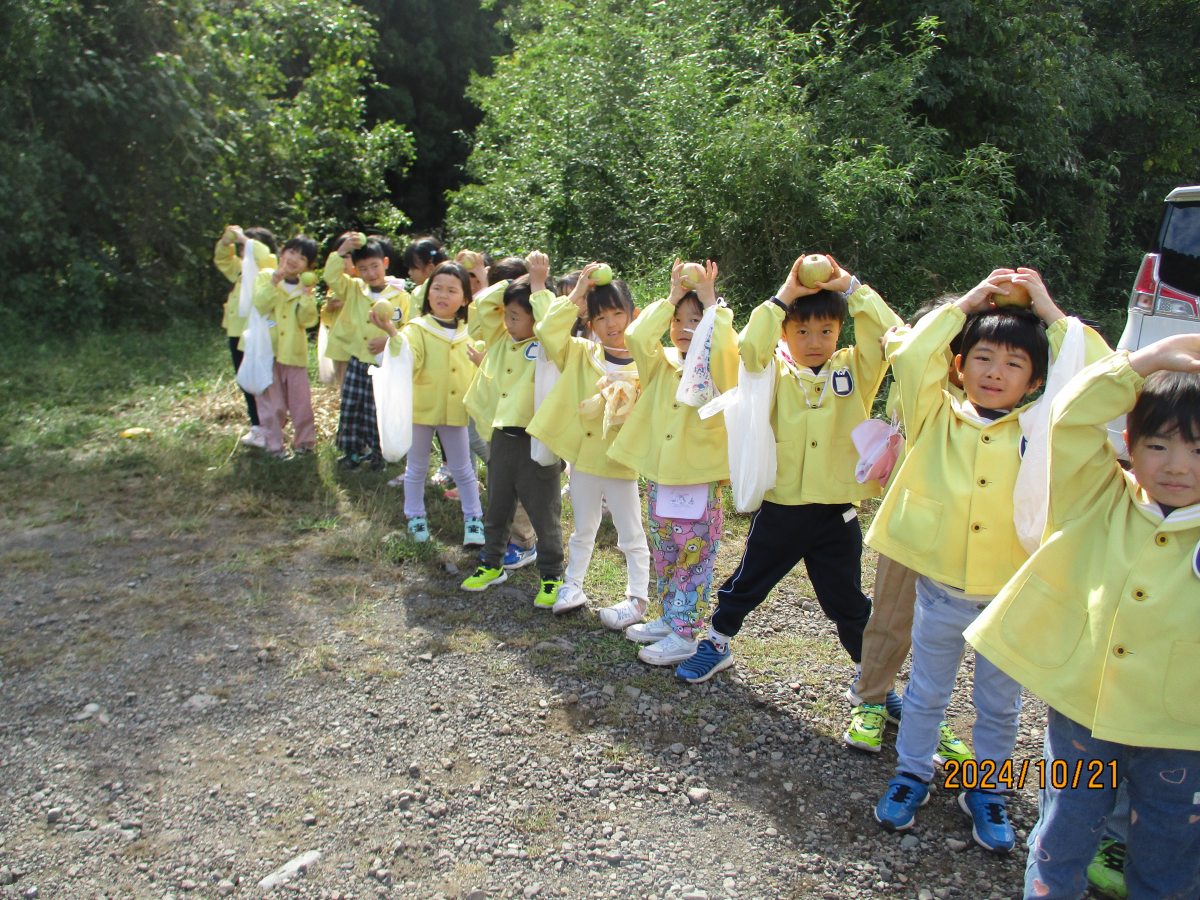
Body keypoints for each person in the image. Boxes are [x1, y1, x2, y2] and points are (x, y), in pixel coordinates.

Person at [869, 267, 1109, 853]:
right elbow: (910, 354)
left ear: (1035, 381)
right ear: (959, 366)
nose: (995, 372)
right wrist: (968, 302)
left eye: (1013, 363)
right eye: (982, 357)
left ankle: (986, 787)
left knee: (999, 704)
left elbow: (1103, 374)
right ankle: (913, 773)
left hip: (1010, 597)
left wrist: (1051, 312)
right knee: (926, 691)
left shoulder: (1047, 426)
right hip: (942, 590)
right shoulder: (938, 414)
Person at [963, 333, 1200, 896]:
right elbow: (1068, 417)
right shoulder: (1102, 495)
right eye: (1159, 446)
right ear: (1130, 446)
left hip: (1181, 730)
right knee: (1061, 835)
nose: (1177, 466)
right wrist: (1144, 361)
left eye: (1199, 450)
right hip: (1084, 716)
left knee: (1171, 855)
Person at [674, 255, 902, 684]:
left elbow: (892, 336)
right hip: (783, 507)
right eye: (802, 331)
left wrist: (851, 286)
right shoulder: (775, 371)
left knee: (849, 603)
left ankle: (871, 679)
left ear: (840, 332)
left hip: (836, 512)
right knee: (747, 583)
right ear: (785, 331)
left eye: (826, 331)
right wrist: (785, 296)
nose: (814, 341)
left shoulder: (855, 368)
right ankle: (717, 642)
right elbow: (750, 350)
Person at [844, 295, 972, 765]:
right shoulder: (918, 387)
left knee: (940, 637)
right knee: (892, 618)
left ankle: (926, 717)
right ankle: (871, 699)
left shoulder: (987, 405)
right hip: (910, 527)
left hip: (959, 537)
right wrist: (853, 286)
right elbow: (902, 340)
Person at [607, 260, 738, 664]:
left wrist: (711, 301)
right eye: (678, 320)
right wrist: (671, 297)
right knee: (665, 550)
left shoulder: (717, 368)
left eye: (694, 320)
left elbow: (726, 346)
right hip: (662, 477)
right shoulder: (661, 363)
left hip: (698, 480)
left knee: (693, 556)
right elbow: (635, 333)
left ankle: (685, 632)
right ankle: (668, 617)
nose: (683, 328)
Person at [527, 262, 651, 627]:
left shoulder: (648, 361)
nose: (611, 324)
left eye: (618, 314)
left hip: (620, 463)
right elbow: (548, 331)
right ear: (589, 324)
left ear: (634, 315)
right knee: (583, 528)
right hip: (583, 460)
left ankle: (638, 597)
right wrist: (578, 292)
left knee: (631, 531)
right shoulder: (582, 353)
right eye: (600, 318)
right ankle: (573, 585)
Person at [460, 252, 564, 607]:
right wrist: (510, 283)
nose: (506, 321)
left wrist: (537, 285)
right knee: (498, 505)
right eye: (506, 314)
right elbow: (480, 311)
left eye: (515, 316)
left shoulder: (547, 345)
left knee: (544, 513)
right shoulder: (500, 341)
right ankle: (490, 563)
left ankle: (552, 576)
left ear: (535, 319)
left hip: (537, 440)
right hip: (503, 436)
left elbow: (553, 321)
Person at [373, 261, 484, 547]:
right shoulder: (417, 329)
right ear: (427, 294)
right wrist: (391, 332)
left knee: (462, 468)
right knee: (417, 466)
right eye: (437, 288)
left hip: (455, 412)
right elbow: (407, 357)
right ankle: (415, 516)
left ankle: (474, 518)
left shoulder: (467, 333)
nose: (442, 295)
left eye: (451, 290)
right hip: (421, 411)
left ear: (464, 299)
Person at [323, 234, 412, 469]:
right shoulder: (353, 289)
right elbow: (330, 276)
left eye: (374, 266)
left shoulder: (400, 297)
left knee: (377, 408)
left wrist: (387, 340)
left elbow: (408, 329)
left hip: (383, 365)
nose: (370, 273)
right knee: (351, 405)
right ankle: (352, 450)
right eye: (363, 269)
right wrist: (342, 250)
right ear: (356, 270)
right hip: (357, 359)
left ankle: (378, 453)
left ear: (385, 263)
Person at [251, 235, 320, 458]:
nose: (294, 259)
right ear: (282, 253)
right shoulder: (265, 277)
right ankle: (274, 445)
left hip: (294, 354)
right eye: (291, 252)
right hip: (268, 352)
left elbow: (308, 321)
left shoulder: (305, 287)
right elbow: (260, 305)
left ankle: (305, 443)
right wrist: (273, 283)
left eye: (302, 258)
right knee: (273, 405)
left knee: (301, 404)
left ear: (308, 267)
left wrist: (308, 298)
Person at [214, 224, 277, 448]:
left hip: (258, 335)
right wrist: (225, 242)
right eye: (241, 249)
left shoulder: (268, 269)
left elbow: (265, 257)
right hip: (237, 332)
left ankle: (271, 427)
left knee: (263, 380)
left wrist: (243, 239)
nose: (244, 252)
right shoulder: (242, 270)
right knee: (246, 380)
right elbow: (223, 260)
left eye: (247, 246)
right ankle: (257, 427)